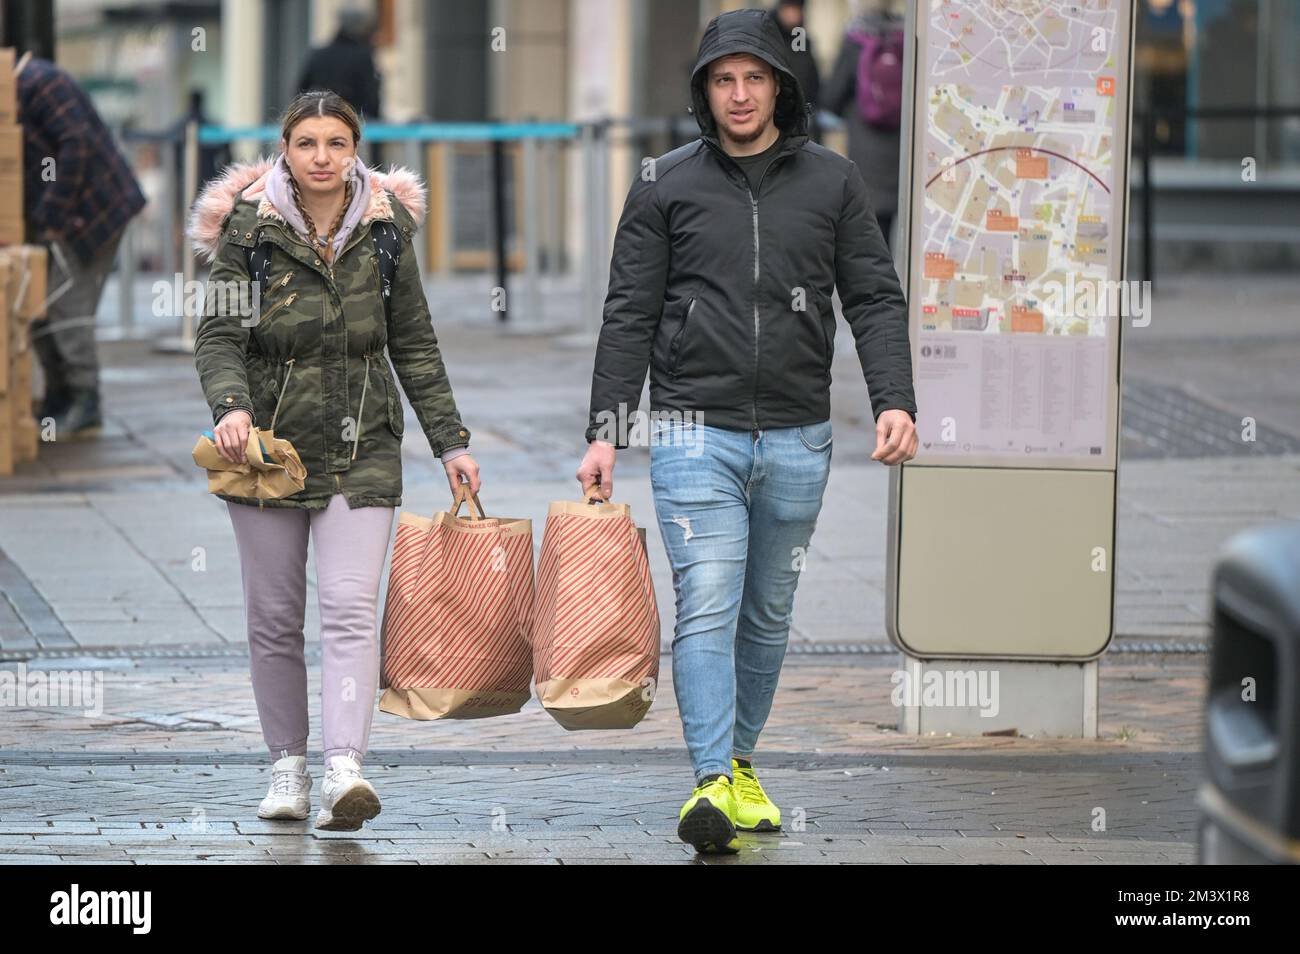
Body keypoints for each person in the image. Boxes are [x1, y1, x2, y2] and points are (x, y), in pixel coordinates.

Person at [576, 8, 917, 854]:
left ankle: (740, 760)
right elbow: (629, 311)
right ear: (704, 90)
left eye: (753, 78)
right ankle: (709, 784)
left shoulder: (833, 183)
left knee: (766, 614)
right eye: (723, 80)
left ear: (780, 86)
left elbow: (873, 296)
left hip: (800, 436)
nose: (738, 94)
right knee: (708, 603)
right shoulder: (665, 183)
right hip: (694, 430)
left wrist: (893, 399)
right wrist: (606, 430)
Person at [187, 90, 479, 831]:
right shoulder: (250, 229)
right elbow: (219, 334)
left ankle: (346, 770)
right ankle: (288, 765)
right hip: (267, 451)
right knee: (275, 619)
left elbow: (414, 340)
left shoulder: (385, 230)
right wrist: (231, 408)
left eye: (336, 144)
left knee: (350, 611)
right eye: (307, 143)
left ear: (356, 151)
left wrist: (451, 441)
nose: (322, 157)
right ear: (284, 149)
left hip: (363, 446)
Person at [15, 51, 146, 439]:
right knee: (41, 306)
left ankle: (84, 403)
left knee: (64, 306)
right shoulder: (23, 89)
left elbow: (77, 143)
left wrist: (53, 216)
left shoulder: (39, 83)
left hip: (93, 212)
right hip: (70, 213)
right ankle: (61, 399)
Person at [823, 0, 907, 250]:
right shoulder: (905, 37)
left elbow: (832, 97)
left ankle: (877, 282)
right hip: (898, 145)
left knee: (871, 227)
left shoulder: (855, 40)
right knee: (893, 219)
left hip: (866, 146)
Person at [297, 6, 382, 121]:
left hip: (320, 117)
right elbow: (371, 97)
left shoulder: (319, 54)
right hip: (353, 121)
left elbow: (300, 90)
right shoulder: (363, 56)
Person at [770, 0, 821, 140]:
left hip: (804, 111)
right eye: (789, 9)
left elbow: (811, 75)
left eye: (796, 9)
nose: (792, 15)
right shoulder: (769, 38)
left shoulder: (801, 39)